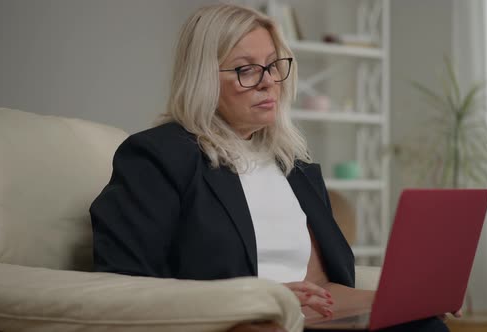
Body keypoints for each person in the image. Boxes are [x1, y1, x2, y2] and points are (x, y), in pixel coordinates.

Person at [89, 3, 451, 331]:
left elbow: (322, 292)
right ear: (203, 78)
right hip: (234, 326)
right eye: (247, 69)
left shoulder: (295, 168)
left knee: (425, 326)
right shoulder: (157, 156)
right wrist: (262, 299)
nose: (268, 81)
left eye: (274, 65)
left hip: (306, 325)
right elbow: (128, 284)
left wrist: (408, 303)